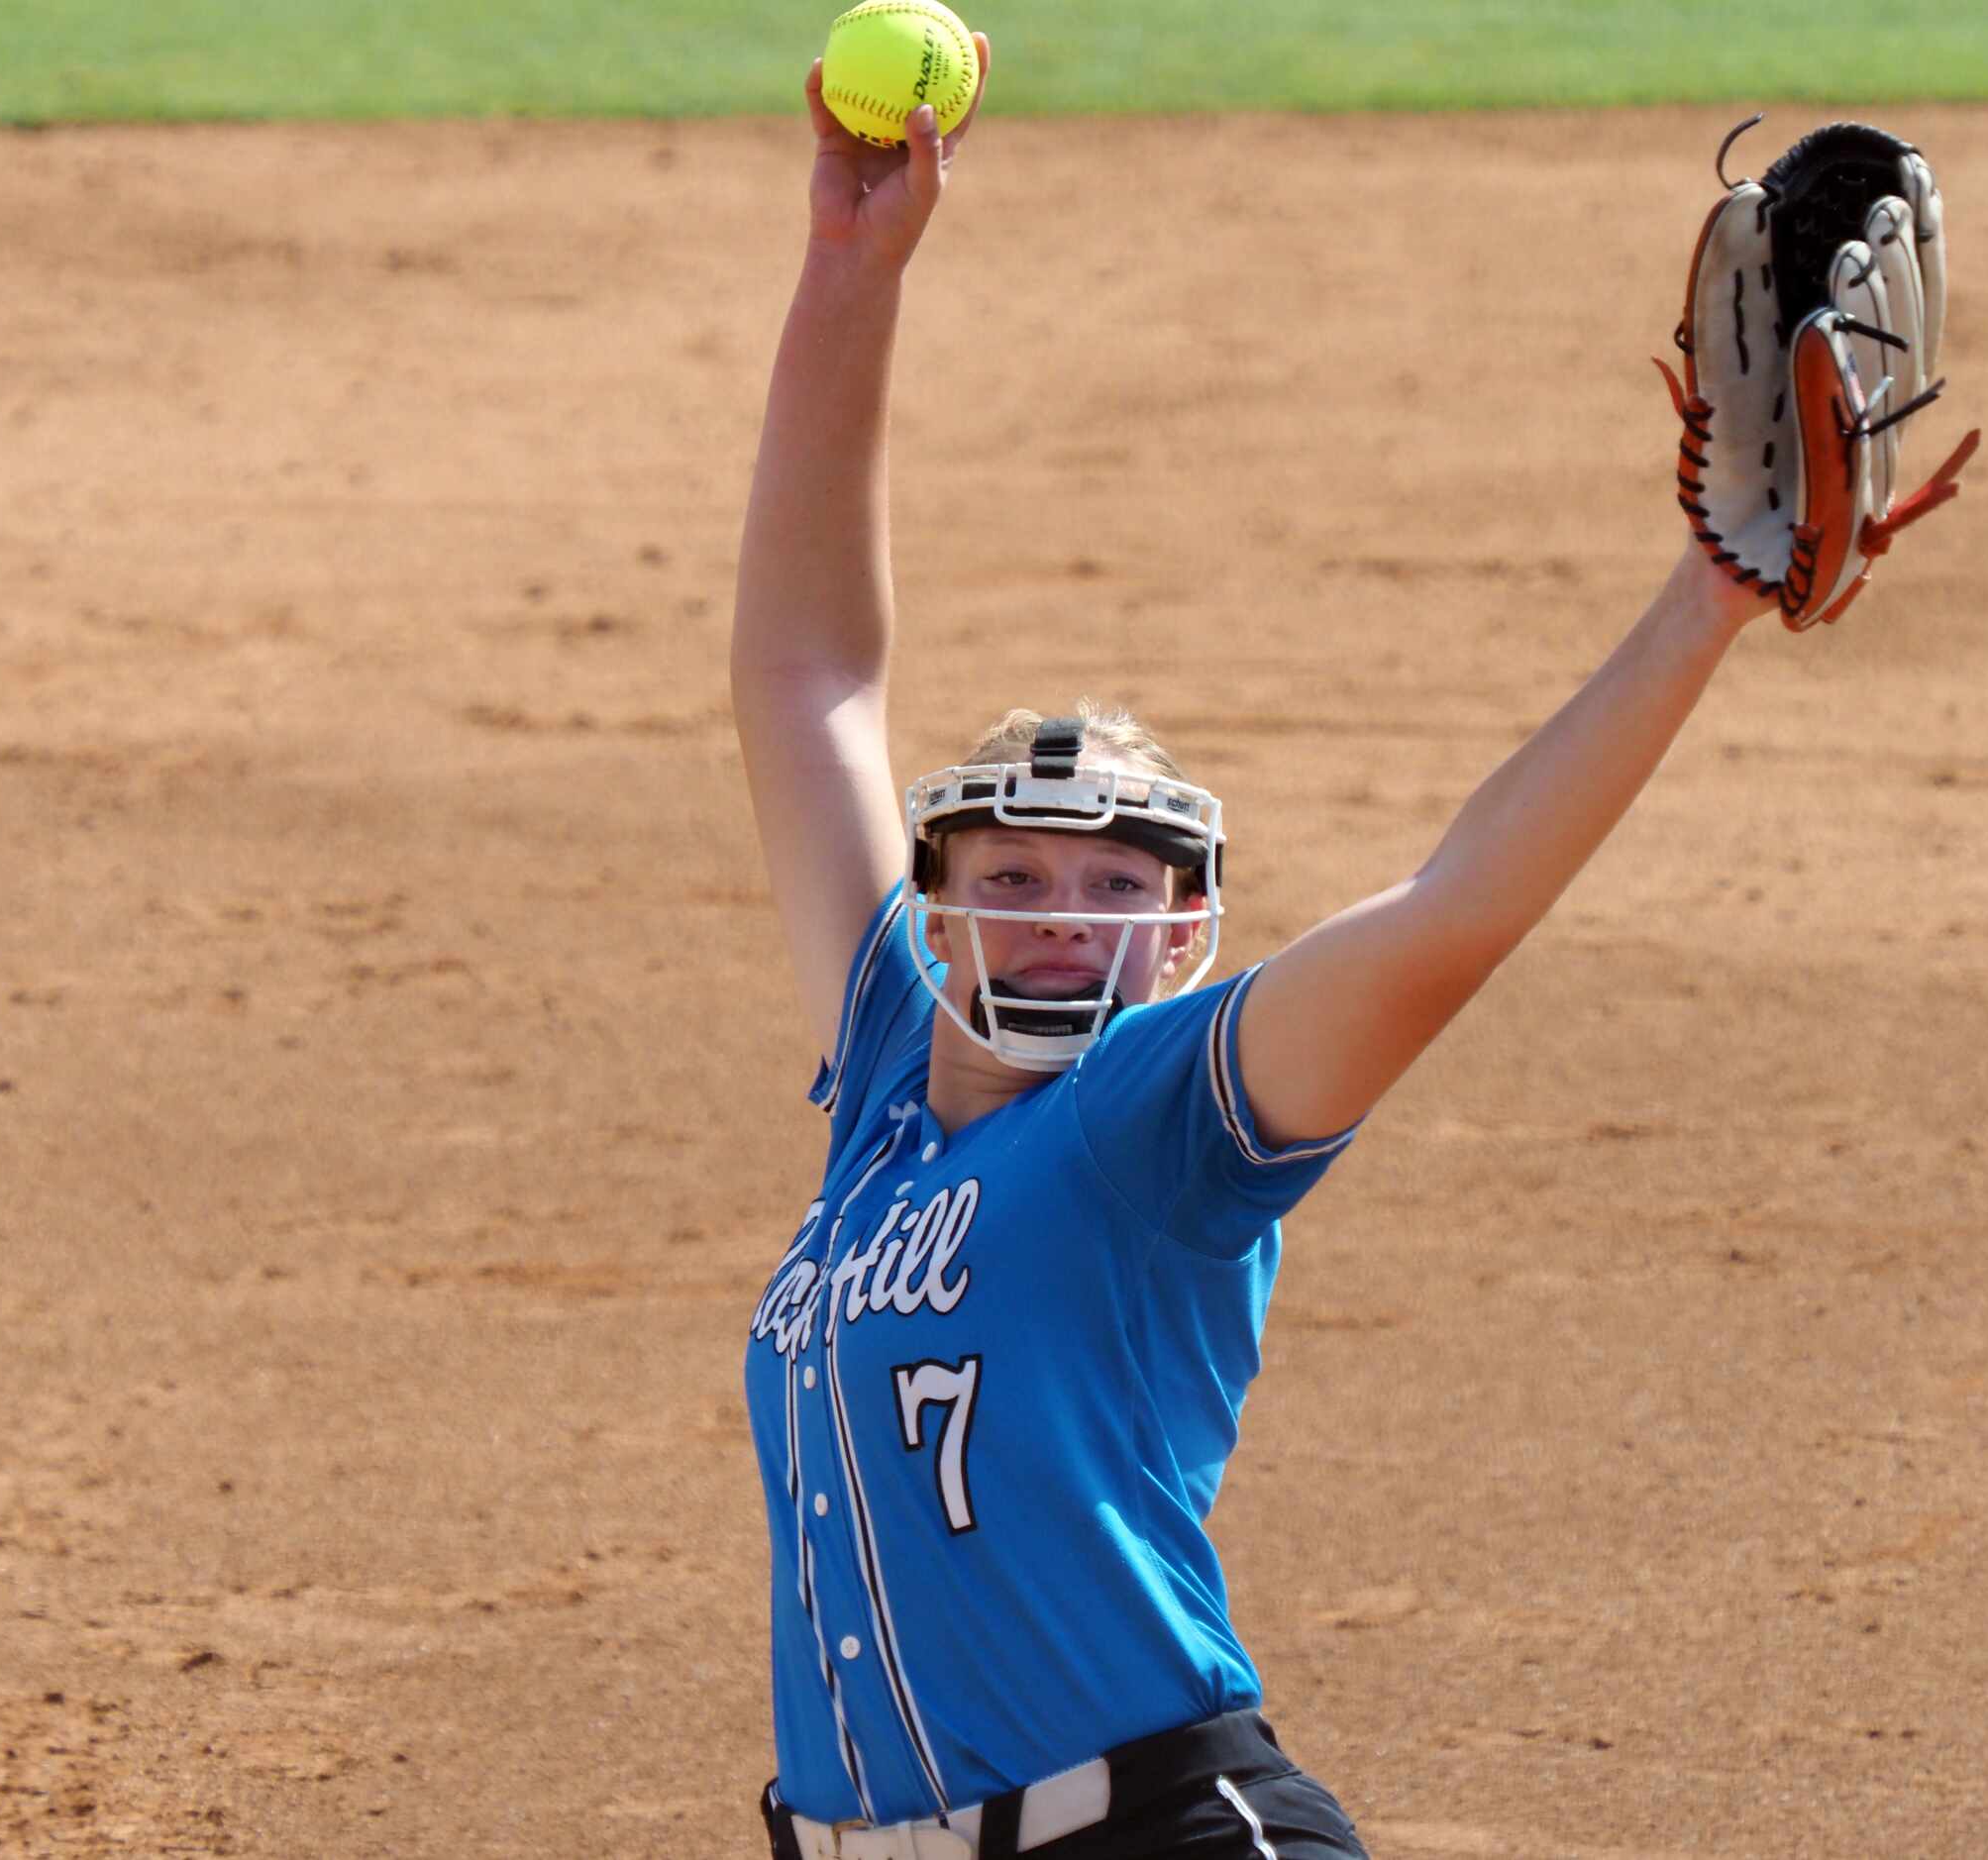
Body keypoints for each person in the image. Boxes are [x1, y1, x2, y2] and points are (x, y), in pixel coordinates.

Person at [729, 43, 1776, 1860]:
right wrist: (852, 270)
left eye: (1115, 887)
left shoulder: (1160, 1114)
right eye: (1023, 873)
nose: (1066, 916)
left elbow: (1453, 910)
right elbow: (806, 675)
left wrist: (1705, 604)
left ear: (1181, 928)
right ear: (941, 884)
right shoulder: (888, 1079)